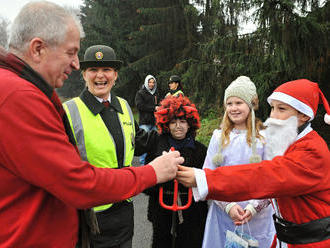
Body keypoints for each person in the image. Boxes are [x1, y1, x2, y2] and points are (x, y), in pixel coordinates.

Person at [0, 2, 183, 247]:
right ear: (37, 49)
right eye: (71, 53)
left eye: (107, 69)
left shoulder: (124, 107)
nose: (75, 64)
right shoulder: (22, 98)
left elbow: (136, 142)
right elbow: (77, 182)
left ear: (116, 75)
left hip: (122, 212)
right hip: (91, 216)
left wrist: (175, 134)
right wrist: (152, 172)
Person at [177, 79, 330, 248]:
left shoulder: (311, 151)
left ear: (304, 115)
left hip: (308, 242)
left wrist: (204, 179)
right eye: (272, 108)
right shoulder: (290, 141)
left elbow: (265, 176)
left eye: (282, 109)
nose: (272, 115)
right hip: (286, 238)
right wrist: (227, 204)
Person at [201, 76, 275, 248]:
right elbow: (208, 174)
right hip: (224, 214)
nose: (233, 108)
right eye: (229, 104)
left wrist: (252, 208)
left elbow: (272, 177)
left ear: (251, 105)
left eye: (239, 103)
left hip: (257, 217)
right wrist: (229, 207)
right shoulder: (218, 137)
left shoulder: (264, 138)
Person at [137, 96, 208, 248]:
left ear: (190, 124)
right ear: (167, 124)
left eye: (182, 121)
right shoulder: (157, 145)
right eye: (173, 122)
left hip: (192, 214)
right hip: (161, 210)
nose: (178, 126)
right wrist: (163, 178)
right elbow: (147, 180)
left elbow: (207, 183)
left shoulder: (200, 150)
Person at [135, 74, 158, 165]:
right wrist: (154, 108)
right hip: (145, 123)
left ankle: (152, 167)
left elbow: (158, 105)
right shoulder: (140, 93)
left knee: (154, 146)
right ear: (146, 83)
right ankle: (142, 167)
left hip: (155, 123)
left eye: (153, 82)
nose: (151, 84)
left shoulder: (156, 93)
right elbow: (140, 106)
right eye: (150, 82)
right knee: (144, 145)